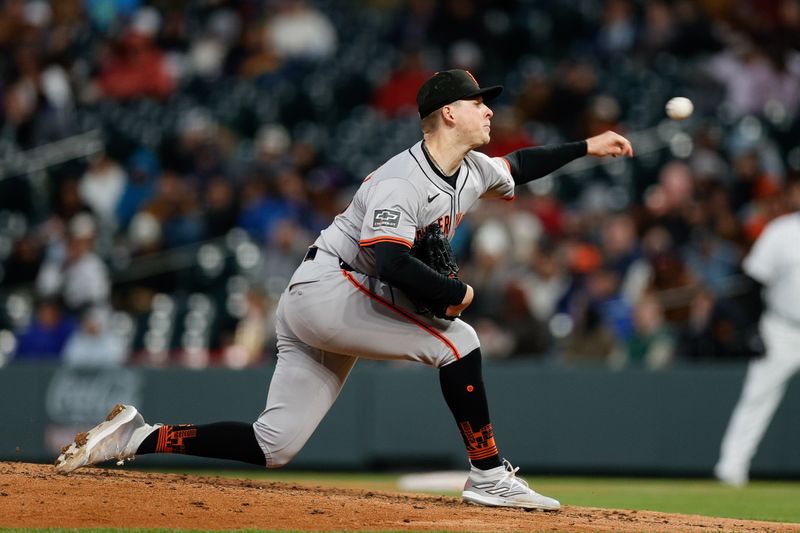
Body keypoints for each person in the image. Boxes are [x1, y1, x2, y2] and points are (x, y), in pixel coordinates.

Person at [55, 69, 632, 510]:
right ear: (447, 114)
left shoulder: (474, 168)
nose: (488, 110)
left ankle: (138, 435)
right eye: (479, 101)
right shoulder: (401, 180)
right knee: (458, 340)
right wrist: (452, 294)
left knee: (273, 444)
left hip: (328, 300)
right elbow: (386, 259)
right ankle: (488, 474)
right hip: (331, 287)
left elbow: (522, 164)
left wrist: (588, 145)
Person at [714, 176, 800, 487]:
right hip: (783, 328)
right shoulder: (782, 231)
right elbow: (753, 283)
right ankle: (731, 469)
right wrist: (751, 328)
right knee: (756, 397)